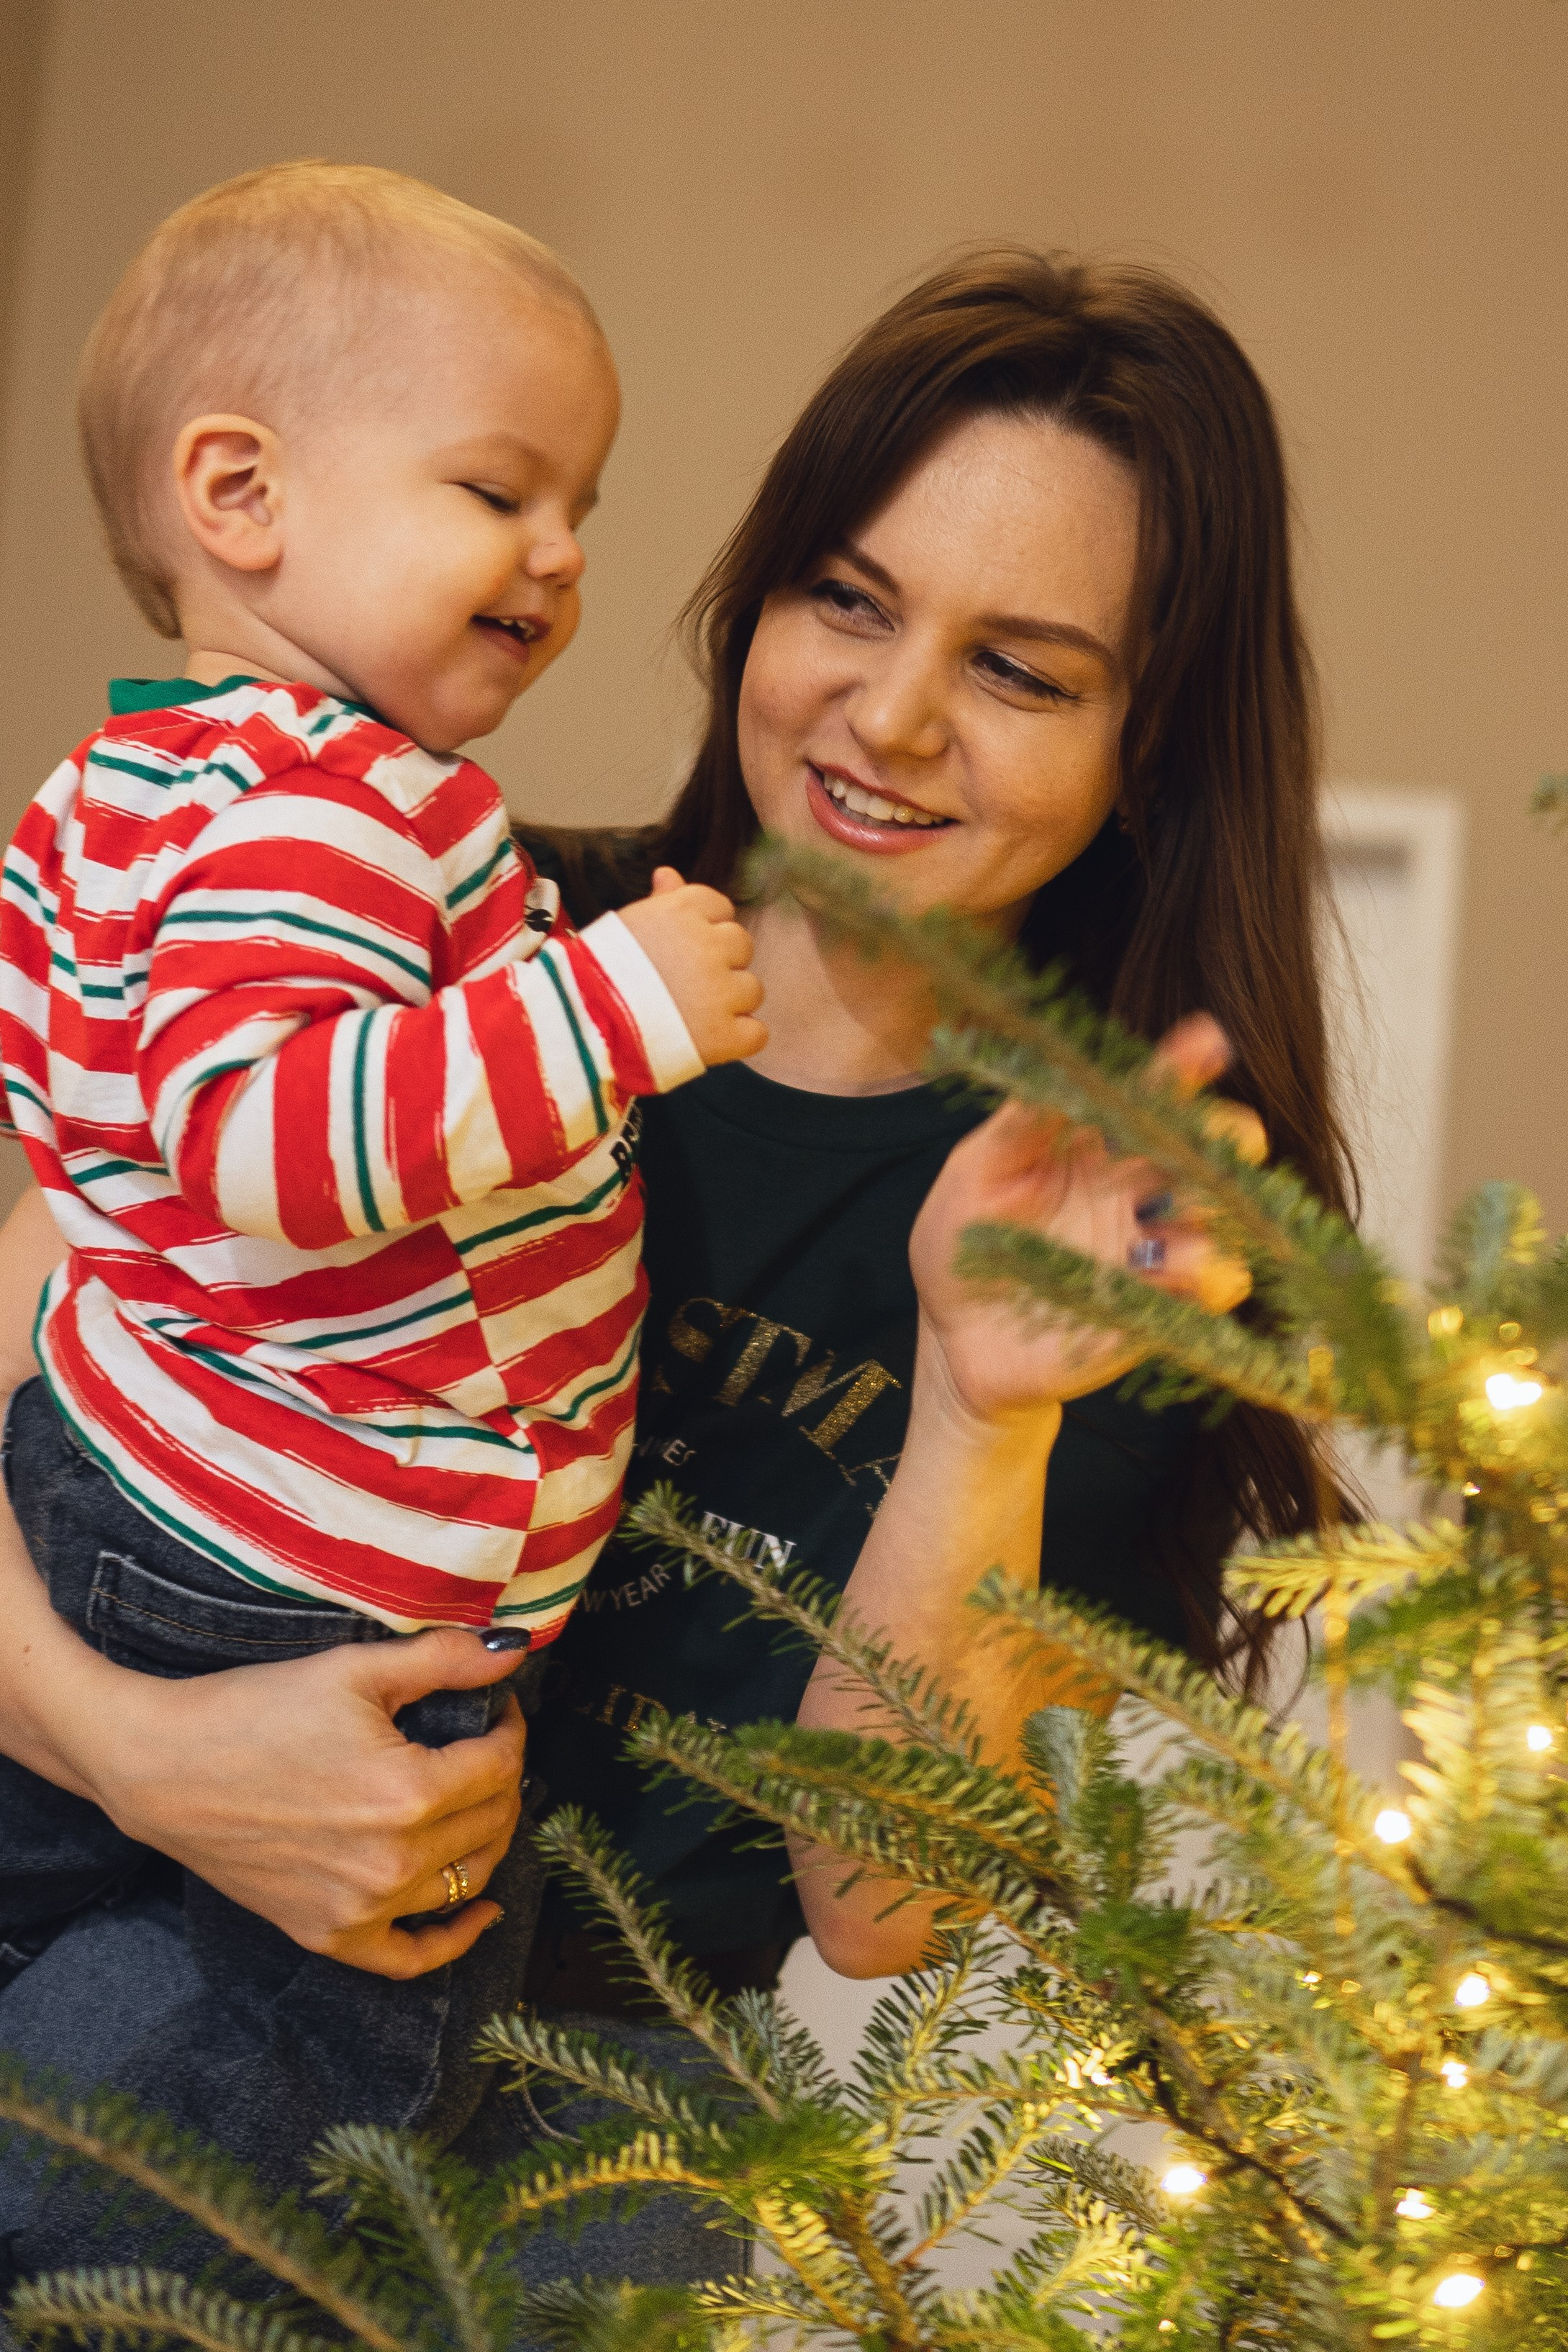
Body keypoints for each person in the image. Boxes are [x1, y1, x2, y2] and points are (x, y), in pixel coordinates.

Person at [0, 248, 1350, 2287]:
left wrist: (980, 1405)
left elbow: (877, 1912)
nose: (891, 715)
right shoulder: (454, 931)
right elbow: (54, 1374)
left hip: (600, 2130)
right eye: (848, 600)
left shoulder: (1114, 1237)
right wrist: (145, 1756)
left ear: (1142, 750)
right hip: (133, 1905)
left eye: (1020, 671)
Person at [0, 159, 764, 2250]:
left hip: (138, 1479)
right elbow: (264, 1144)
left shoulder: (128, 786)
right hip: (317, 1571)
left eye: (579, 503)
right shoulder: (329, 805)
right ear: (239, 493)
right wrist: (602, 1009)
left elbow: (104, 1153)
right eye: (499, 488)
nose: (563, 551)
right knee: (348, 2023)